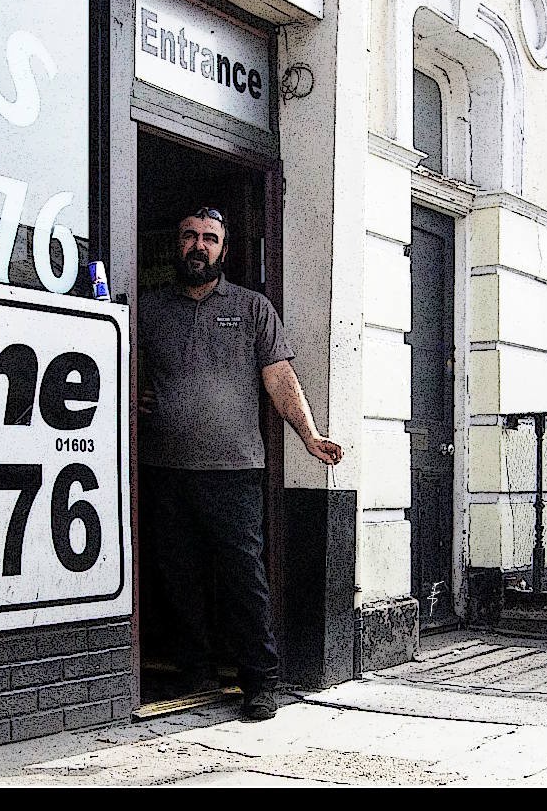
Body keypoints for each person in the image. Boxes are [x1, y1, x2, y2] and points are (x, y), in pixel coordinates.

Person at [137, 206, 342, 721]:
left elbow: (280, 378)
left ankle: (260, 681)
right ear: (175, 245)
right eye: (189, 236)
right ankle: (193, 671)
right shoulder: (148, 310)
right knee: (176, 576)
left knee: (241, 577)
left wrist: (310, 436)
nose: (198, 246)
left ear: (224, 249)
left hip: (235, 470)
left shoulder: (252, 309)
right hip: (164, 469)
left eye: (209, 238)